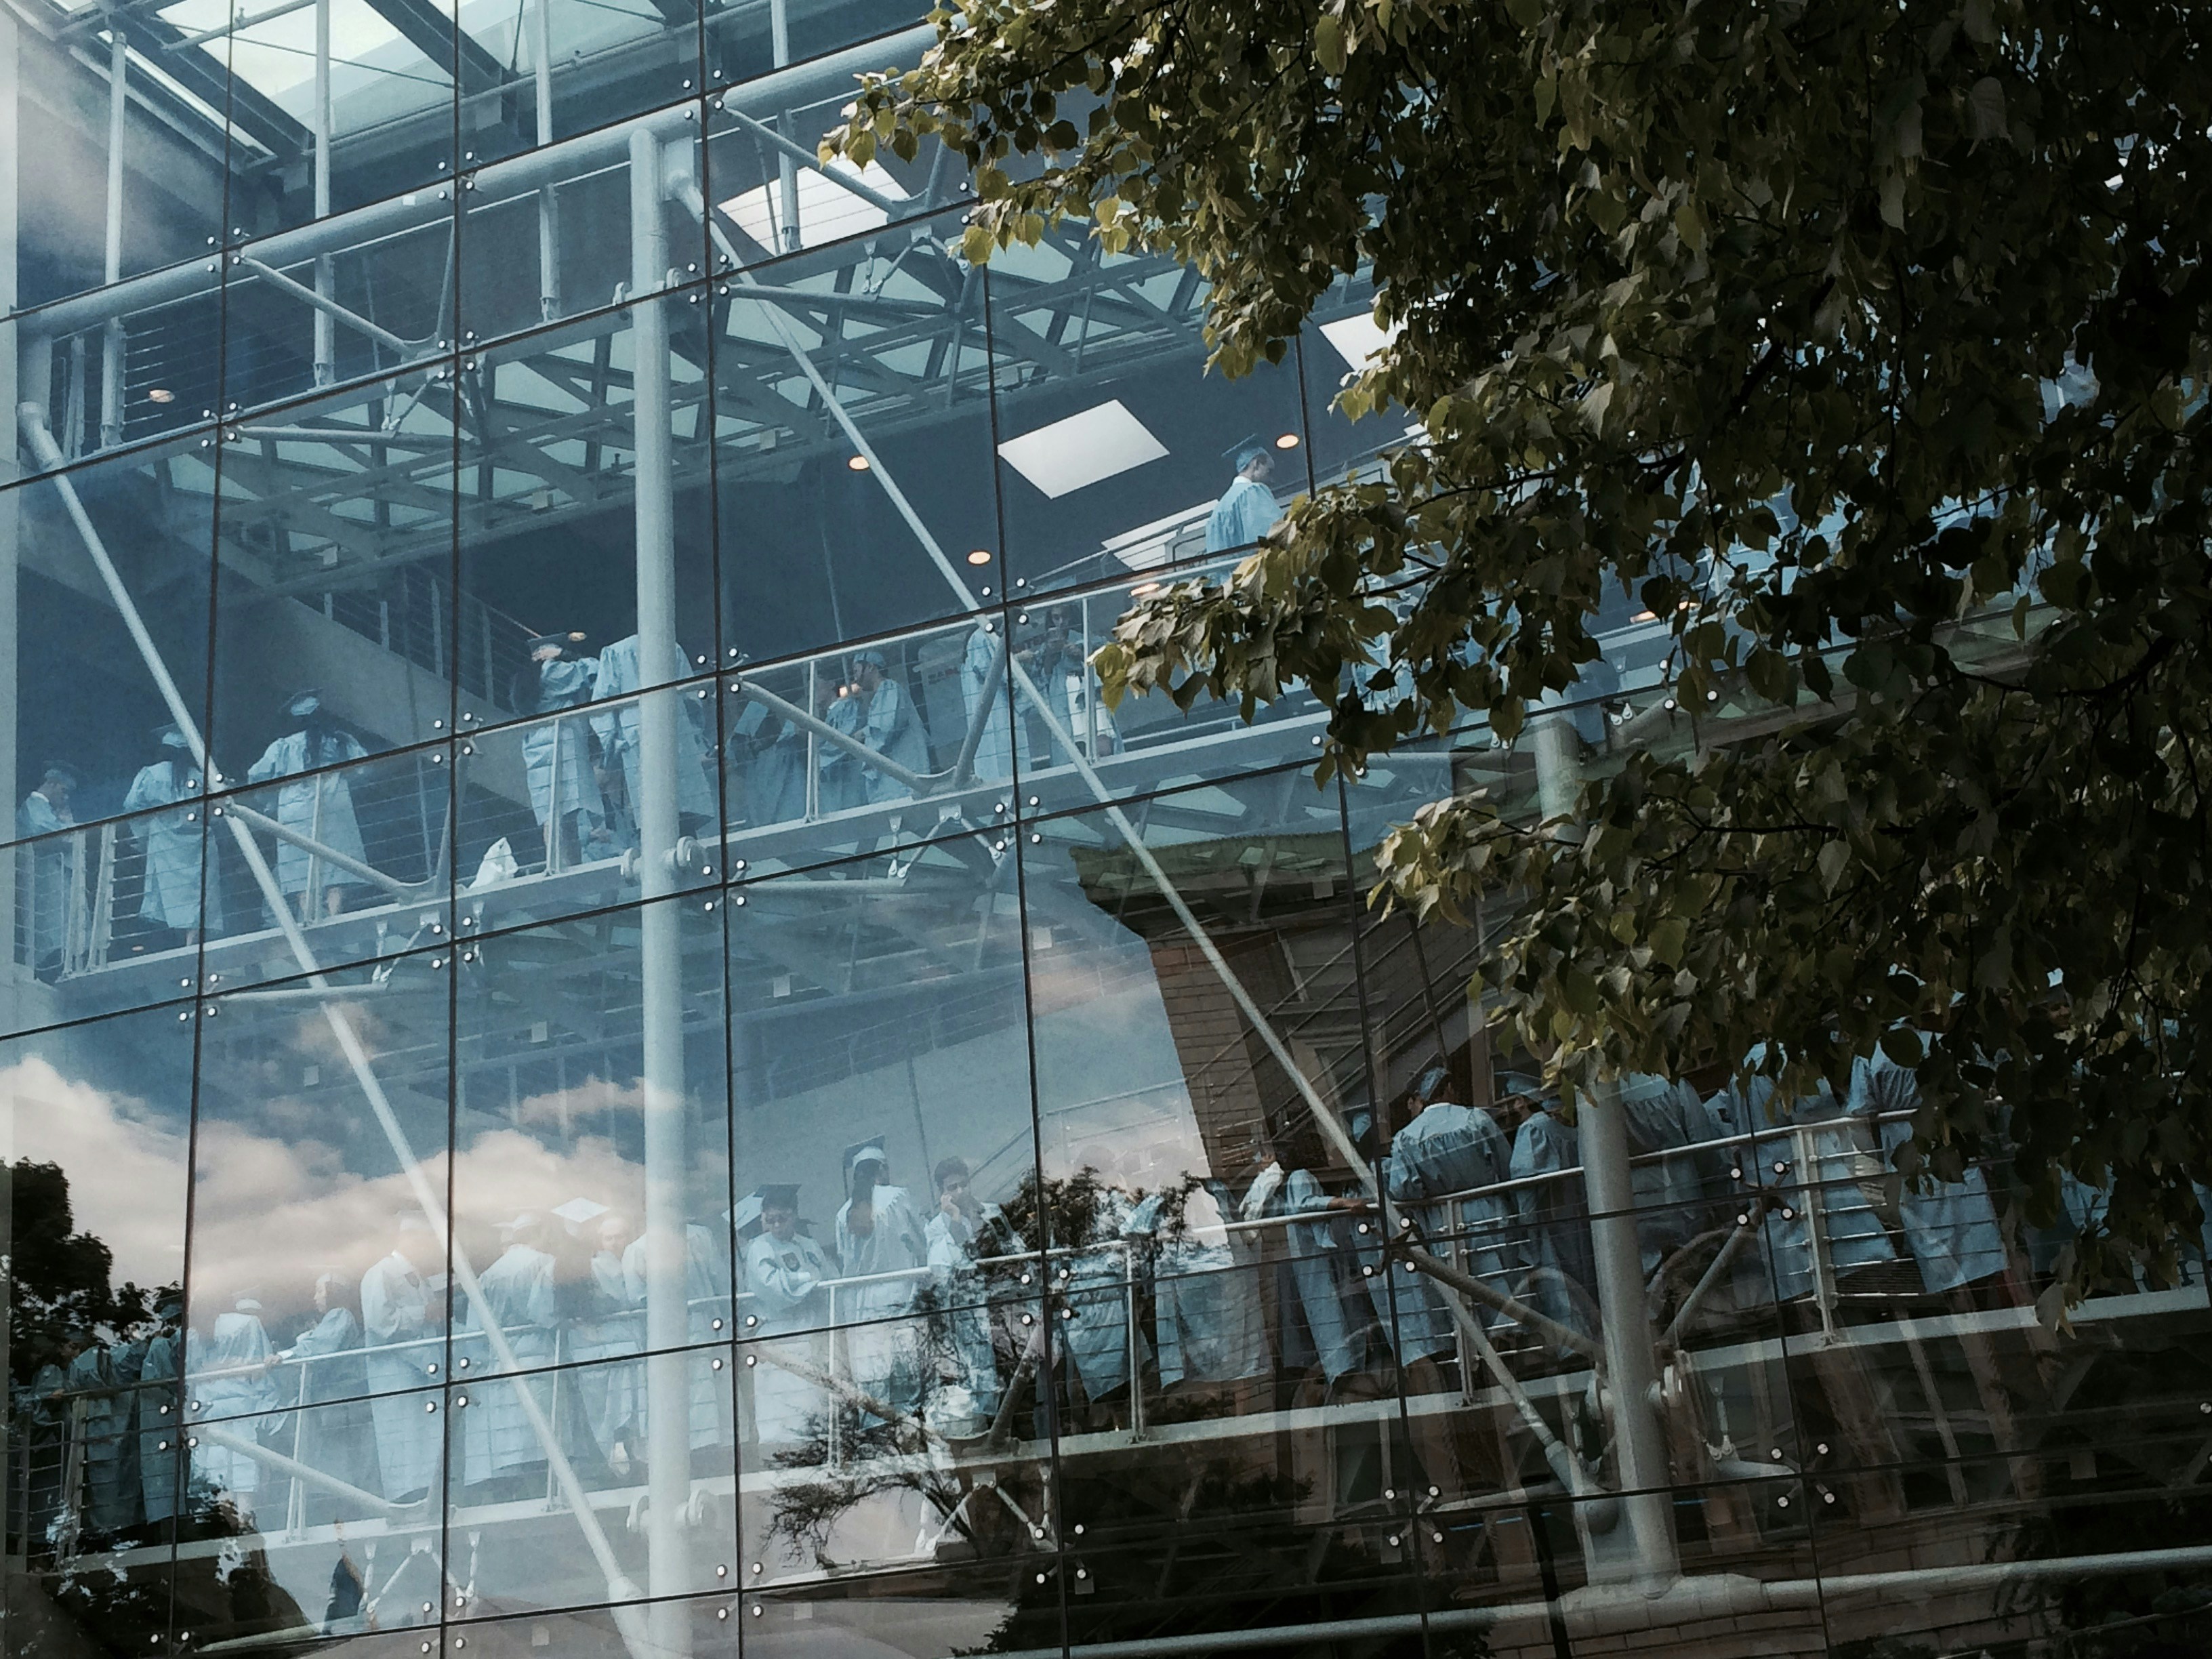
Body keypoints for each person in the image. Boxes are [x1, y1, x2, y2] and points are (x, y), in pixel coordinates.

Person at [1848, 1051, 2007, 1296]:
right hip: (1955, 1151)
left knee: (1938, 1256)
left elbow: (1859, 1120)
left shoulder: (1873, 1054)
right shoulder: (1944, 1041)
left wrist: (1885, 1159)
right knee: (1978, 1248)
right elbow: (1978, 1090)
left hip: (1909, 1160)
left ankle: (1962, 1313)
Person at [1242, 1120, 1366, 1393]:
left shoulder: (1288, 1182)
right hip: (1314, 1259)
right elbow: (1304, 1205)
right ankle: (1342, 1370)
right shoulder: (1300, 1176)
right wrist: (1341, 1203)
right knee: (1330, 1314)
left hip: (1304, 1259)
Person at [245, 689, 369, 922]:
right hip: (334, 803)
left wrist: (270, 800)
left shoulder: (283, 746)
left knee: (300, 872)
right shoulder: (339, 740)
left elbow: (257, 775)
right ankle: (334, 917)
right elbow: (362, 767)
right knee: (336, 868)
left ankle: (309, 919)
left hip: (295, 810)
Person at [459, 1213, 558, 1496]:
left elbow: (474, 1332)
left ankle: (521, 1494)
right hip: (538, 1355)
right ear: (540, 1233)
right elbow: (546, 1313)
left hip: (500, 1362)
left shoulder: (489, 1274)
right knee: (543, 1439)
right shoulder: (544, 1263)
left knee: (513, 1444)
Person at [620, 1216, 735, 1457]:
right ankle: (703, 1449)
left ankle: (698, 1450)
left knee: (690, 1392)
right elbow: (721, 1282)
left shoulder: (639, 1249)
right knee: (700, 1392)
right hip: (690, 1326)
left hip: (677, 1329)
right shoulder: (697, 1237)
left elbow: (636, 1299)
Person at [590, 633, 718, 847]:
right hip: (676, 733)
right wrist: (695, 737)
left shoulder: (613, 653)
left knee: (651, 812)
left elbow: (602, 705)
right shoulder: (672, 646)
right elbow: (691, 698)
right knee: (682, 808)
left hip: (636, 737)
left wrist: (613, 744)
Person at [835, 1137, 931, 1420]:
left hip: (865, 1304)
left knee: (875, 1378)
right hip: (900, 1294)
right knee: (906, 1373)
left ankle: (877, 1433)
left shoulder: (842, 1214)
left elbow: (844, 1261)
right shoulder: (897, 1197)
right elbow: (920, 1239)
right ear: (883, 1169)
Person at [1500, 1078, 1598, 1344]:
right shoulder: (1570, 1128)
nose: (1511, 1109)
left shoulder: (1534, 1129)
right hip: (1579, 1218)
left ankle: (1574, 1348)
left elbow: (1526, 1185)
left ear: (1524, 1101)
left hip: (1551, 1223)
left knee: (1560, 1289)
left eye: (1514, 1101)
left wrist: (1526, 1230)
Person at [741, 1185, 837, 1450]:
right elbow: (771, 1285)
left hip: (808, 1329)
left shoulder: (809, 1245)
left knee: (810, 1399)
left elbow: (828, 1278)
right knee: (779, 1406)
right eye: (769, 1220)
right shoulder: (760, 1248)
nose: (776, 1226)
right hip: (778, 1332)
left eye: (781, 1219)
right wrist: (807, 1279)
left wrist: (811, 1283)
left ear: (793, 1215)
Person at [922, 1158, 1013, 1436]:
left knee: (1010, 1373)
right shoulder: (935, 1227)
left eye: (964, 1184)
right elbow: (952, 1263)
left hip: (1000, 1306)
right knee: (978, 1376)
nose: (961, 1191)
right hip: (966, 1314)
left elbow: (997, 1250)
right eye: (953, 1187)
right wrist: (954, 1219)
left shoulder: (991, 1212)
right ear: (942, 1192)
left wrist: (973, 1218)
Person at [359, 1214, 443, 1504]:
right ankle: (407, 1498)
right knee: (404, 1443)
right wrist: (424, 1314)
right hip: (396, 1375)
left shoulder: (420, 1278)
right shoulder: (380, 1273)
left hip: (424, 1372)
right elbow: (380, 1323)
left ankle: (428, 1494)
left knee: (425, 1441)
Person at [285, 1272, 380, 1517]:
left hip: (342, 1404)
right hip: (341, 1403)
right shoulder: (338, 1318)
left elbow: (319, 1347)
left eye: (320, 1291)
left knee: (343, 1464)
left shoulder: (340, 1315)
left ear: (333, 1292)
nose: (315, 1297)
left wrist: (286, 1356)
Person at [512, 633, 610, 869]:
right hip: (561, 744)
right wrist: (565, 654)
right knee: (566, 814)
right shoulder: (552, 671)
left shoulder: (525, 680)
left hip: (537, 746)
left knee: (554, 813)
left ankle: (558, 866)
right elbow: (596, 669)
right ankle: (566, 867)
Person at [558, 1203, 641, 1475]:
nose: (615, 1243)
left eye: (620, 1236)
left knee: (621, 1409)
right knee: (613, 1410)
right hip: (609, 1346)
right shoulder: (597, 1266)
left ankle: (623, 1457)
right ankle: (618, 1458)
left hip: (611, 1347)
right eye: (609, 1238)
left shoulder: (633, 1259)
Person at [188, 1294, 284, 1519]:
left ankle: (228, 1527)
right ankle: (242, 1525)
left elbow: (191, 1375)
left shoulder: (192, 1336)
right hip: (239, 1411)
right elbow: (261, 1374)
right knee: (242, 1473)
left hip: (210, 1413)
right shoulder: (247, 1325)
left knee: (219, 1476)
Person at [123, 724, 216, 944]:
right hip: (198, 842)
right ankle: (191, 943)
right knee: (198, 898)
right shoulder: (201, 778)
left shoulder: (151, 774)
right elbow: (213, 813)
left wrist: (148, 829)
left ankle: (175, 945)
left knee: (167, 897)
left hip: (164, 842)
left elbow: (132, 805)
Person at [17, 764, 81, 977]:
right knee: (53, 931)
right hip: (46, 878)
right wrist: (71, 828)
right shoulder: (34, 805)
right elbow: (43, 830)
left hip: (56, 876)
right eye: (64, 791)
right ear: (52, 784)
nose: (66, 798)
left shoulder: (49, 811)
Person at [847, 649, 932, 805]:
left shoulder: (889, 688)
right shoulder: (881, 695)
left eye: (856, 670)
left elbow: (885, 729)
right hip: (892, 783)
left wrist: (863, 734)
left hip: (902, 781)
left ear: (870, 667)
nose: (855, 678)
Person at [1204, 435, 1283, 553]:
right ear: (1256, 464)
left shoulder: (1217, 513)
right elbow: (1274, 536)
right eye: (1269, 471)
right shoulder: (1251, 492)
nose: (1271, 480)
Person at [958, 620, 1015, 783]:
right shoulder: (982, 636)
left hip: (987, 718)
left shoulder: (971, 651)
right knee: (1004, 764)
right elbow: (993, 668)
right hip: (997, 713)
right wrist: (1020, 659)